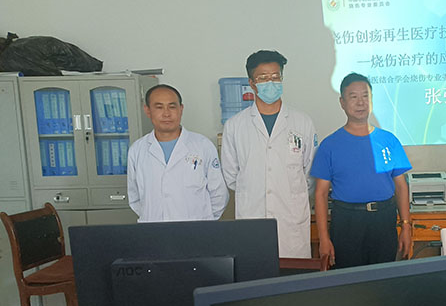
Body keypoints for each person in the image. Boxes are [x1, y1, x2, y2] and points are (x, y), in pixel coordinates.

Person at [221, 50, 317, 258]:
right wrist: (255, 187)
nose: (270, 83)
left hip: (291, 222)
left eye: (275, 76)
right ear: (252, 83)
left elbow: (310, 174)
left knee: (293, 274)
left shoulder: (302, 122)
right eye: (263, 78)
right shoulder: (235, 126)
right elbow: (231, 176)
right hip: (252, 219)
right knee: (254, 271)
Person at [311, 73, 412, 268]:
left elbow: (401, 186)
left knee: (383, 279)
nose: (360, 102)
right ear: (342, 102)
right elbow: (320, 194)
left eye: (365, 96)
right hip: (346, 222)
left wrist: (406, 226)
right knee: (350, 281)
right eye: (353, 97)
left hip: (384, 220)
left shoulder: (389, 140)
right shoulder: (329, 145)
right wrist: (323, 238)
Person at [127, 84, 228, 222]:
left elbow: (219, 195)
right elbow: (135, 198)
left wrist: (204, 223)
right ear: (148, 111)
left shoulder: (203, 145)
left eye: (172, 107)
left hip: (197, 229)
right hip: (153, 228)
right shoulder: (137, 150)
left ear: (181, 109)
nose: (166, 114)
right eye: (159, 107)